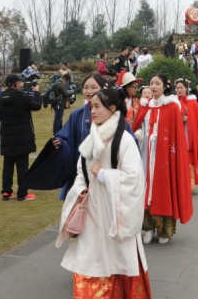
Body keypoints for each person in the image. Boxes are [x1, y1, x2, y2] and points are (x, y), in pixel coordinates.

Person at [55, 89, 151, 299]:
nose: (93, 110)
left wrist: (105, 174)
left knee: (115, 259)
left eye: (98, 106)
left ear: (113, 108)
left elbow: (134, 178)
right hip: (90, 210)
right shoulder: (92, 138)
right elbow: (82, 171)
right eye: (92, 106)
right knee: (87, 261)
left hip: (113, 212)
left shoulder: (124, 139)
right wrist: (81, 189)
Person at [25, 74, 136, 200]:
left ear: (103, 89)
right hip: (81, 171)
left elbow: (129, 142)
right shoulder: (78, 114)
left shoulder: (114, 114)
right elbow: (67, 136)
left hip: (107, 169)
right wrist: (60, 143)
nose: (89, 91)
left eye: (94, 87)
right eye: (85, 87)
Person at [140, 74, 193, 244]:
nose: (154, 87)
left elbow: (176, 136)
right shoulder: (145, 107)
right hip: (146, 154)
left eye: (157, 83)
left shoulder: (171, 107)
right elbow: (139, 127)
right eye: (151, 83)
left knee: (164, 189)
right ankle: (147, 227)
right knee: (145, 190)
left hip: (164, 157)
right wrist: (140, 135)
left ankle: (165, 230)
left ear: (164, 86)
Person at [0, 73, 42, 201]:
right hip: (22, 136)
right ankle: (22, 193)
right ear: (16, 83)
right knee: (22, 166)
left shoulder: (1, 97)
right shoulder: (22, 97)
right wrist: (37, 93)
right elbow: (37, 106)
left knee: (8, 166)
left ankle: (6, 192)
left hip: (7, 136)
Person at [175, 79, 198, 189]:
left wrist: (187, 119)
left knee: (189, 156)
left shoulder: (193, 103)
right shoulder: (173, 102)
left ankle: (189, 183)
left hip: (188, 133)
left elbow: (196, 120)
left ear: (186, 88)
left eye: (181, 87)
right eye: (177, 88)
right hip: (178, 132)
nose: (179, 90)